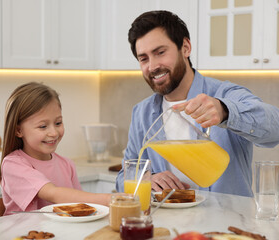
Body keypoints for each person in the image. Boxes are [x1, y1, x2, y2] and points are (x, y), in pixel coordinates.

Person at [116, 10, 279, 197]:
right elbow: (124, 176)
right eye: (143, 58)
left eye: (160, 52)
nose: (152, 66)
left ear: (185, 47)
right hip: (168, 222)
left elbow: (275, 126)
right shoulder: (142, 113)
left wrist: (225, 111)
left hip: (227, 223)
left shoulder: (225, 95)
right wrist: (146, 178)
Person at [0, 82, 112, 215]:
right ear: (18, 130)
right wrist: (109, 199)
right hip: (23, 235)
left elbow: (81, 206)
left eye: (58, 123)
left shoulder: (67, 165)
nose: (54, 132)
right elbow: (53, 193)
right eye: (43, 126)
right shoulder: (13, 165)